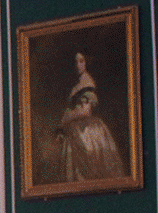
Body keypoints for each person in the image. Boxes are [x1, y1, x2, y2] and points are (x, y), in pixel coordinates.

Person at [42, 52, 125, 183]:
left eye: (81, 61)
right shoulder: (77, 84)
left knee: (88, 166)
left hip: (86, 130)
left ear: (86, 63)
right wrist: (62, 126)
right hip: (73, 128)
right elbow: (70, 110)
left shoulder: (87, 82)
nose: (78, 65)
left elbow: (86, 111)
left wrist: (67, 118)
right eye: (75, 62)